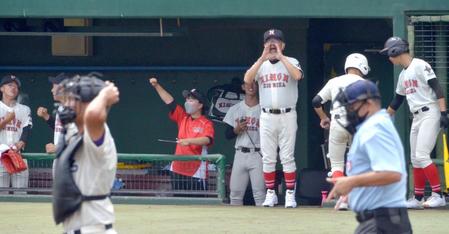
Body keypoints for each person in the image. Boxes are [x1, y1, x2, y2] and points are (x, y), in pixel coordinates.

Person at [327, 80, 412, 234]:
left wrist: (351, 181)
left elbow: (392, 174)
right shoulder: (374, 125)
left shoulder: (374, 128)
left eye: (352, 107)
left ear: (369, 103)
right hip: (383, 220)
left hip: (383, 222)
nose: (349, 112)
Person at [380, 36, 448, 208]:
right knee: (415, 158)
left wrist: (443, 112)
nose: (389, 57)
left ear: (396, 51)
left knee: (422, 154)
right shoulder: (403, 74)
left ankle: (438, 195)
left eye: (389, 53)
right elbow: (397, 100)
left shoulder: (419, 65)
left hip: (430, 112)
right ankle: (417, 198)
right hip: (416, 116)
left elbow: (437, 88)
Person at [52, 74, 119, 234]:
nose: (66, 105)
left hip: (94, 229)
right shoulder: (74, 131)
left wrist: (103, 95)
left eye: (72, 100)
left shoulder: (97, 133)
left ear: (89, 104)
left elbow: (93, 115)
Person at [244, 28, 303, 208]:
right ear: (264, 45)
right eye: (269, 42)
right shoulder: (261, 64)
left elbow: (297, 75)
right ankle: (271, 193)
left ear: (283, 44)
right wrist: (262, 57)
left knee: (287, 156)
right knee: (268, 157)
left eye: (276, 41)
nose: (272, 44)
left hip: (287, 114)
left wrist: (281, 56)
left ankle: (290, 194)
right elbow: (247, 79)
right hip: (267, 115)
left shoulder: (291, 61)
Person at [312, 53, 370, 209]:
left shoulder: (334, 81)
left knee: (337, 165)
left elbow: (316, 101)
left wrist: (323, 117)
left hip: (337, 122)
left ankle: (344, 198)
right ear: (363, 67)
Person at [149, 77, 215, 191]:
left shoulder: (206, 123)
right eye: (187, 99)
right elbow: (169, 101)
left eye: (191, 100)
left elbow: (207, 139)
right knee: (178, 202)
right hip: (177, 168)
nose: (187, 102)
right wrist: (156, 85)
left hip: (196, 171)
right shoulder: (183, 117)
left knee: (198, 205)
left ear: (200, 105)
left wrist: (189, 141)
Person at [223, 80, 266, 206]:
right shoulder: (235, 108)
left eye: (254, 84)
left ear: (258, 86)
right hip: (240, 153)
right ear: (243, 86)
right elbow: (227, 135)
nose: (251, 87)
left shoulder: (264, 109)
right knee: (235, 194)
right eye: (248, 83)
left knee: (260, 194)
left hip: (258, 153)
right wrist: (237, 130)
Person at [0, 74, 32, 193]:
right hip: (0, 157)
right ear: (2, 88)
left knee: (21, 195)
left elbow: (27, 128)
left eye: (16, 87)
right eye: (10, 85)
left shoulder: (24, 109)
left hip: (17, 155)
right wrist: (6, 121)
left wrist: (21, 142)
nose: (14, 88)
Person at [36, 73, 69, 153]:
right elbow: (60, 129)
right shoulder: (61, 108)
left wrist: (58, 148)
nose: (52, 90)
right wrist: (46, 116)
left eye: (54, 87)